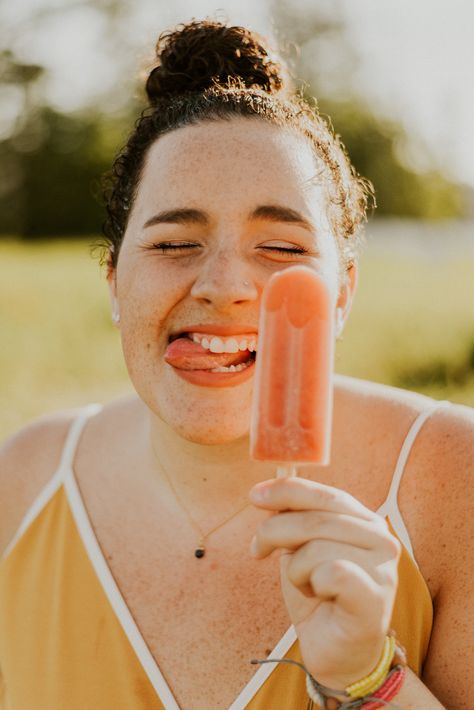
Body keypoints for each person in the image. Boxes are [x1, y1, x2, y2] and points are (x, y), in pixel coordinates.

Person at [0, 20, 472, 710]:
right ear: (113, 282)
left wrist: (369, 678)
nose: (224, 285)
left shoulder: (455, 481)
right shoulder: (22, 482)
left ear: (341, 293)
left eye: (281, 248)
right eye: (172, 243)